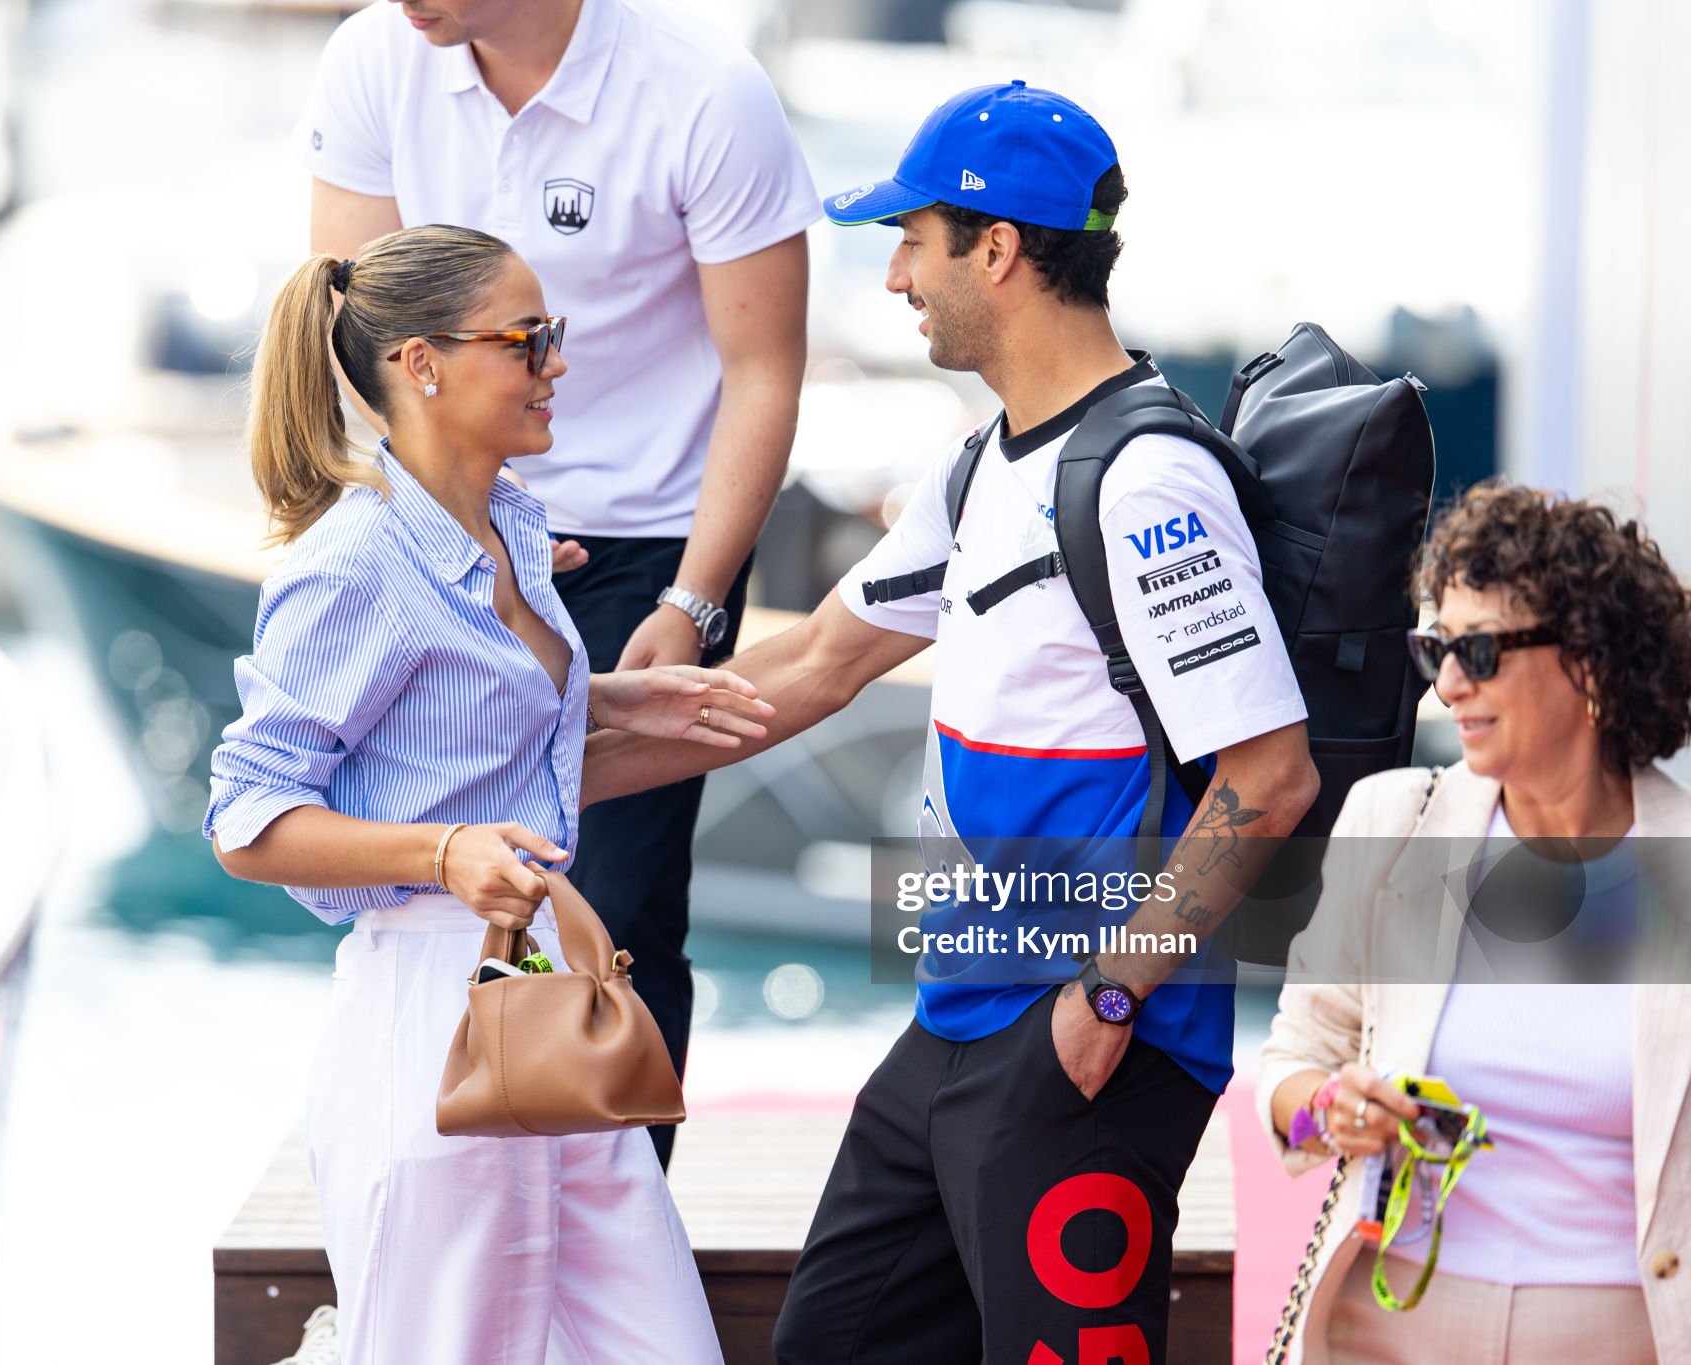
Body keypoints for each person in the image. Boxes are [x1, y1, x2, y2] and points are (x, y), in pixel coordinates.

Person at [585, 82, 1319, 1363]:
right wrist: (523, 782)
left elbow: (1267, 775)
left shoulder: (1147, 482)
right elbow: (811, 665)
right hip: (957, 1019)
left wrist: (1104, 998)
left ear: (996, 247)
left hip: (1090, 1036)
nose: (892, 281)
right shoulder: (985, 461)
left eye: (910, 242)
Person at [204, 227, 775, 1364]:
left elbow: (467, 727)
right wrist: (442, 852)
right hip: (427, 1019)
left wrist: (608, 702)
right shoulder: (351, 563)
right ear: (420, 364)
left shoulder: (511, 519)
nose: (555, 361)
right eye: (527, 340)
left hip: (547, 995)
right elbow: (245, 818)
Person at [296, 0, 819, 1165]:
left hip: (643, 556)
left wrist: (689, 603)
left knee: (617, 911)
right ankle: (459, 1202)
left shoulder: (702, 89)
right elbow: (353, 347)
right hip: (445, 533)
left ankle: (608, 1223)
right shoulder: (372, 58)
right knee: (426, 904)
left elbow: (764, 373)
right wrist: (457, 543)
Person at [1258, 484, 1691, 1364]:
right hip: (1386, 1331)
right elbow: (1290, 1069)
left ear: (1593, 661)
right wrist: (1329, 1111)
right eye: (1437, 649)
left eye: (1481, 651)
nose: (1449, 684)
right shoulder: (1394, 822)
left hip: (1628, 1338)